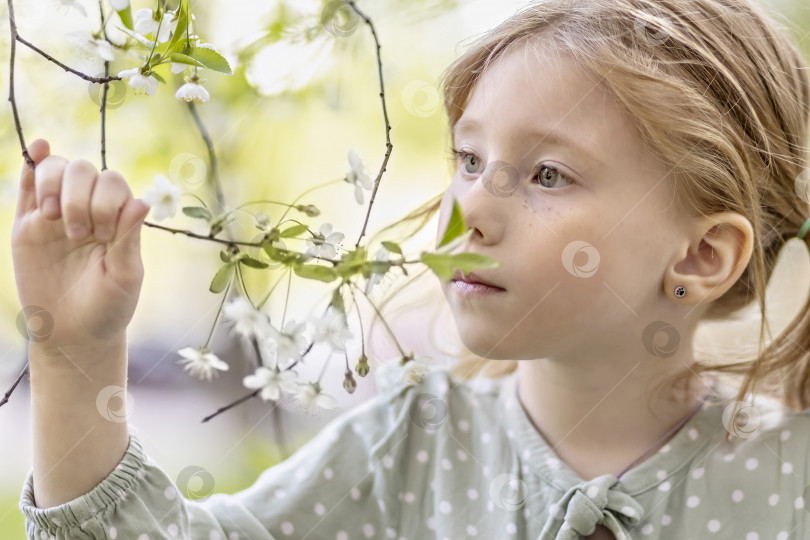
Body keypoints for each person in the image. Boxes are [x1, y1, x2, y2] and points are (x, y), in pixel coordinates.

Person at [12, 0, 810, 538]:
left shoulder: (787, 476)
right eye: (468, 158)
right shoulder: (412, 444)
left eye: (548, 175)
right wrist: (74, 358)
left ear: (702, 255)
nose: (472, 210)